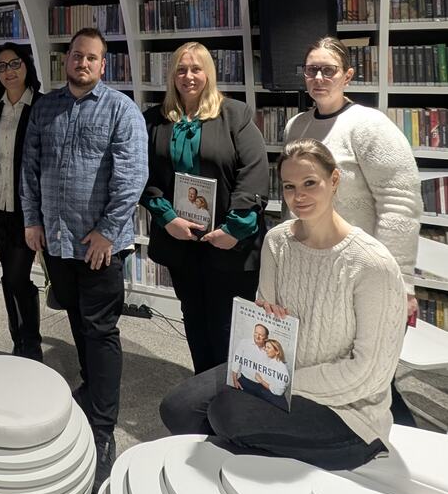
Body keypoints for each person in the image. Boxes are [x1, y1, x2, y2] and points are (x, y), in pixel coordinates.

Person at [160, 140, 406, 470]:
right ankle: (255, 450)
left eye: (310, 183)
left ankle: (261, 455)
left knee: (227, 413)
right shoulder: (278, 241)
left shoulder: (372, 264)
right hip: (278, 371)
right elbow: (265, 322)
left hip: (349, 412)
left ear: (334, 180)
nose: (298, 195)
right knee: (178, 408)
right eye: (289, 186)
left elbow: (369, 375)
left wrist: (279, 386)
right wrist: (264, 325)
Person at [21, 28, 147, 493]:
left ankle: (103, 428)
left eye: (92, 58)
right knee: (75, 319)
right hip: (56, 242)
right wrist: (32, 220)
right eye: (77, 55)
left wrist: (107, 232)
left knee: (100, 330)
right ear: (67, 59)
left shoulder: (121, 110)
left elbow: (132, 176)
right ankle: (90, 388)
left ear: (103, 64)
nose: (83, 63)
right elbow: (30, 169)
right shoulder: (45, 108)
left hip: (98, 246)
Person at [284, 36, 423, 426]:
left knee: (372, 374)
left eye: (328, 70)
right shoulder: (297, 125)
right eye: (311, 70)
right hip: (315, 271)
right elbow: (294, 196)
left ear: (347, 76)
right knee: (326, 366)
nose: (319, 78)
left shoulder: (369, 125)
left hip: (363, 274)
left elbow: (400, 202)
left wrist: (400, 282)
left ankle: (396, 441)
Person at [141, 42, 269, 373]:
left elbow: (254, 173)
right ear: (172, 75)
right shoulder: (154, 120)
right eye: (181, 70)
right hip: (181, 242)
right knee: (195, 319)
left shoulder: (235, 114)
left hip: (228, 243)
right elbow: (144, 174)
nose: (189, 76)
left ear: (209, 73)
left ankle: (232, 397)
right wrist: (167, 218)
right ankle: (203, 386)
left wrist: (234, 229)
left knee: (228, 327)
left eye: (196, 69)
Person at [0, 43, 43, 360]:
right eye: (2, 66)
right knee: (9, 276)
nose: (9, 71)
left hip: (27, 211)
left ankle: (31, 342)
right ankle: (17, 338)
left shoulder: (42, 107)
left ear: (26, 65)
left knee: (18, 277)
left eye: (14, 63)